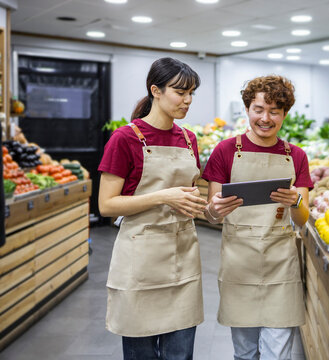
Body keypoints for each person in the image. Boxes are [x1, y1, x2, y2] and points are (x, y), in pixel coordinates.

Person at [98, 57, 207, 360]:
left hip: (183, 257)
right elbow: (106, 205)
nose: (187, 100)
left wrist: (212, 207)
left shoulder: (188, 139)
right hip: (140, 261)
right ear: (155, 91)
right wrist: (164, 196)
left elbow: (189, 196)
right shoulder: (125, 138)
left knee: (180, 354)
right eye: (179, 92)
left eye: (191, 93)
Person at [202, 75, 313, 359]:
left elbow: (302, 219)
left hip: (281, 265)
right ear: (247, 109)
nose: (265, 118)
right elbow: (211, 214)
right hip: (239, 263)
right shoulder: (226, 151)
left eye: (274, 111)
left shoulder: (296, 156)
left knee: (278, 354)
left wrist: (296, 201)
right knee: (245, 353)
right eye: (258, 109)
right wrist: (215, 208)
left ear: (284, 114)